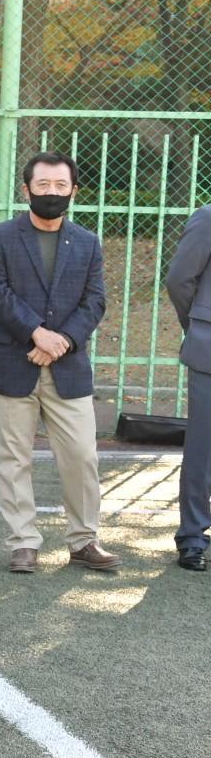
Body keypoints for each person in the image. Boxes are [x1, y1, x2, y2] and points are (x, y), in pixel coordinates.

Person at [0, 152, 117, 574]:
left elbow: (95, 301)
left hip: (67, 367)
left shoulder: (87, 242)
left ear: (73, 191)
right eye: (42, 185)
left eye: (60, 185)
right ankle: (23, 542)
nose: (51, 192)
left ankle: (84, 540)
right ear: (26, 190)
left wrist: (62, 341)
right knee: (13, 458)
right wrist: (37, 333)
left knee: (82, 455)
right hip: (12, 362)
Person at [161, 204, 211, 570]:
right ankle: (192, 537)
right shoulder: (208, 217)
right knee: (203, 448)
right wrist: (198, 327)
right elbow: (179, 280)